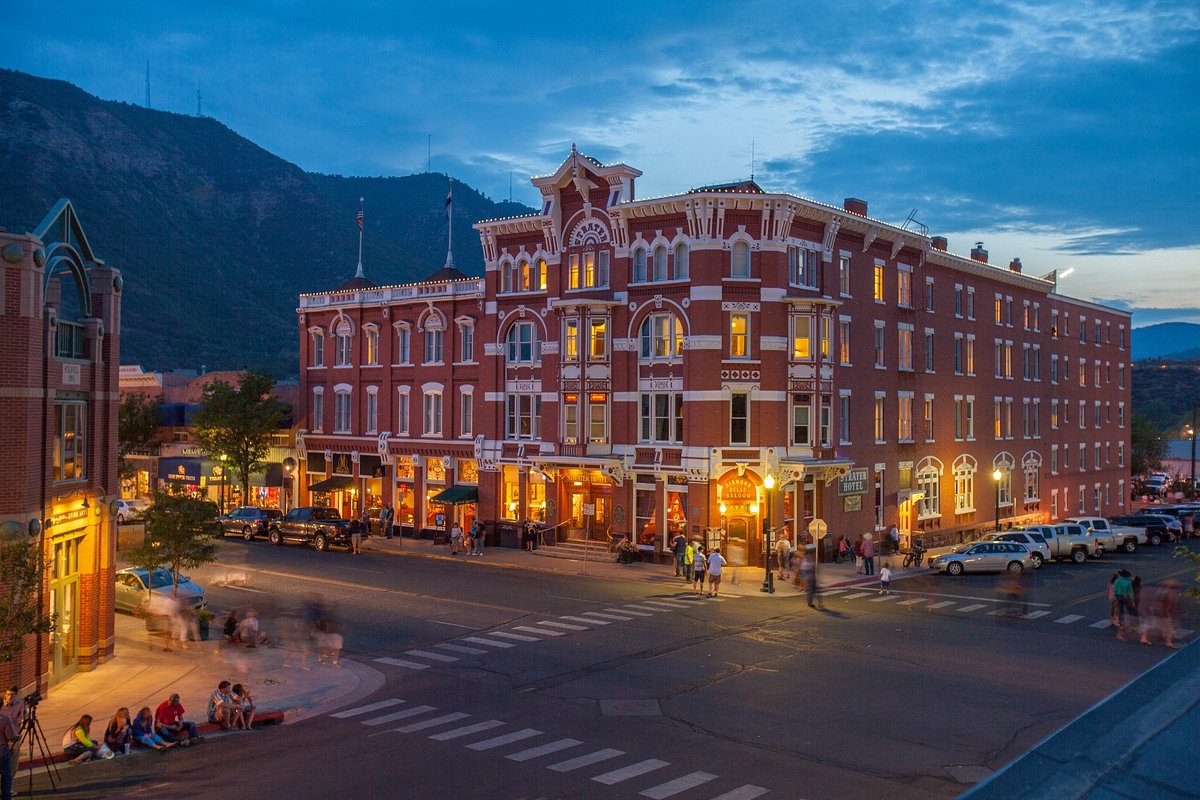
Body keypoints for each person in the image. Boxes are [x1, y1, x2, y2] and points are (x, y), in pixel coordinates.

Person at [1, 688, 27, 785]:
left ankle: (8, 787)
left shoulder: (20, 704)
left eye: (12, 694)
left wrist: (23, 721)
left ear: (16, 695)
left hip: (14, 739)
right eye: (8, 694)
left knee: (12, 765)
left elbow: (24, 718)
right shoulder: (1, 705)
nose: (10, 697)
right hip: (3, 740)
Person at [1112, 569, 1135, 640]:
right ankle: (1132, 625)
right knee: (1130, 610)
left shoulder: (1116, 581)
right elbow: (1130, 592)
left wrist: (1115, 597)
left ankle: (1121, 624)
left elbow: (1114, 589)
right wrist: (1132, 600)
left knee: (1120, 611)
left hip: (1118, 596)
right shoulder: (1128, 582)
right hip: (1125, 596)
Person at [0, 706, 15, 800]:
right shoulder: (4, 719)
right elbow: (10, 736)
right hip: (2, 750)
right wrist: (17, 737)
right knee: (6, 776)